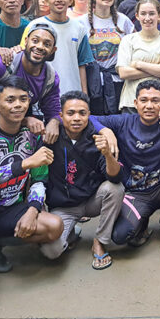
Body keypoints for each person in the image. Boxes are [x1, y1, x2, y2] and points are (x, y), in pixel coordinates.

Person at [0, 76, 63, 273]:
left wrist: (32, 210)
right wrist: (25, 163)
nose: (18, 105)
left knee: (55, 226)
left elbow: (39, 180)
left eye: (23, 99)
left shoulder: (33, 135)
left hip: (15, 207)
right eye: (10, 100)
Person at [97, 80, 160, 246]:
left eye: (155, 101)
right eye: (144, 100)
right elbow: (88, 118)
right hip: (136, 194)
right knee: (119, 236)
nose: (149, 106)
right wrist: (106, 130)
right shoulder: (123, 122)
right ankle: (142, 224)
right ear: (135, 103)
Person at [40, 91, 124, 269]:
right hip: (63, 206)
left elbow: (115, 176)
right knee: (51, 252)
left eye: (82, 113)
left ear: (89, 115)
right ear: (61, 115)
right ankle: (71, 232)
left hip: (90, 202)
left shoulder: (97, 137)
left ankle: (100, 241)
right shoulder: (51, 136)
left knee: (115, 189)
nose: (76, 118)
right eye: (70, 113)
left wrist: (108, 154)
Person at [21, 0, 94, 95]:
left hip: (72, 95)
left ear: (71, 0)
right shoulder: (34, 26)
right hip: (41, 95)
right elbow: (24, 61)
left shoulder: (79, 28)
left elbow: (82, 64)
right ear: (46, 0)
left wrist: (84, 95)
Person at [80, 0, 135, 115]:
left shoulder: (123, 20)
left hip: (118, 80)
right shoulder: (81, 22)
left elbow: (136, 44)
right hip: (92, 80)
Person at [116, 0, 160, 112]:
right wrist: (159, 67)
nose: (147, 18)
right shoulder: (128, 40)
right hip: (132, 102)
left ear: (159, 16)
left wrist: (138, 64)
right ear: (137, 16)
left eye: (152, 14)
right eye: (143, 14)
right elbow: (123, 73)